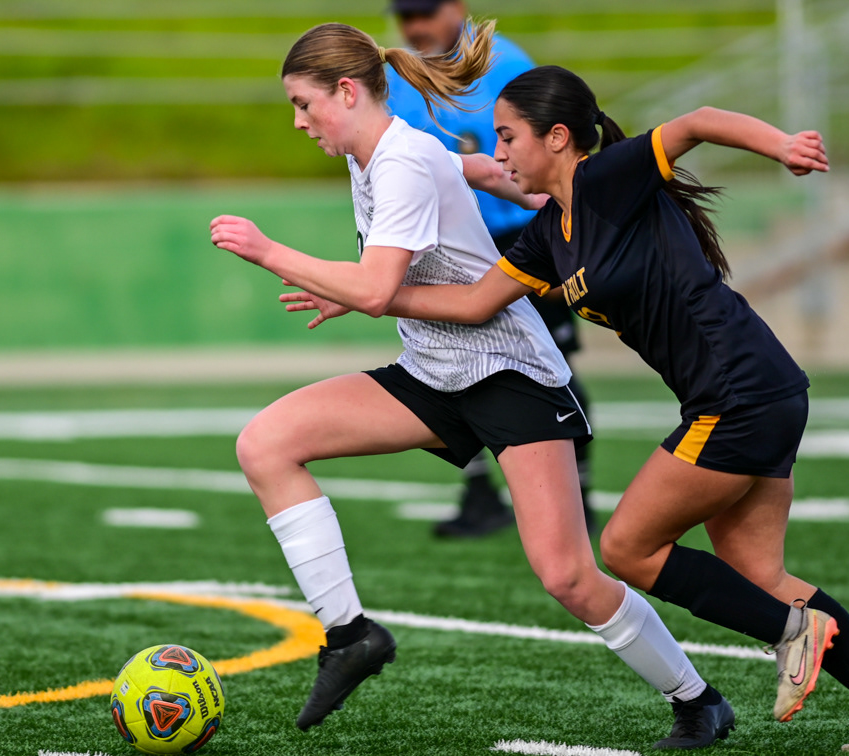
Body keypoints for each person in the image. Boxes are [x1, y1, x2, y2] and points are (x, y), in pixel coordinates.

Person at [385, 64, 849, 752]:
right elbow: (471, 304)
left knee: (625, 547)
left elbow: (699, 120)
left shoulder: (604, 180)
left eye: (507, 138)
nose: (499, 154)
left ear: (558, 138)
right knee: (761, 577)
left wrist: (783, 145)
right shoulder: (546, 236)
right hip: (752, 390)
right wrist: (370, 292)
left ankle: (793, 631)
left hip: (739, 390)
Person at [210, 22, 734, 749]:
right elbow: (476, 176)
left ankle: (699, 699)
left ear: (348, 91)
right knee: (266, 444)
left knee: (570, 579)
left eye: (304, 104)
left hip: (509, 377)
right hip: (433, 373)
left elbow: (378, 285)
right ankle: (350, 636)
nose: (299, 122)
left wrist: (272, 253)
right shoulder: (382, 152)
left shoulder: (397, 162)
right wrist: (352, 286)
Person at [387, 0, 594, 537]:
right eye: (405, 15)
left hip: (516, 232)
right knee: (448, 367)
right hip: (446, 241)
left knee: (549, 361)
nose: (415, 26)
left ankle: (579, 496)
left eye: (425, 11)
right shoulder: (402, 72)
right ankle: (480, 494)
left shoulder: (508, 66)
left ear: (456, 7)